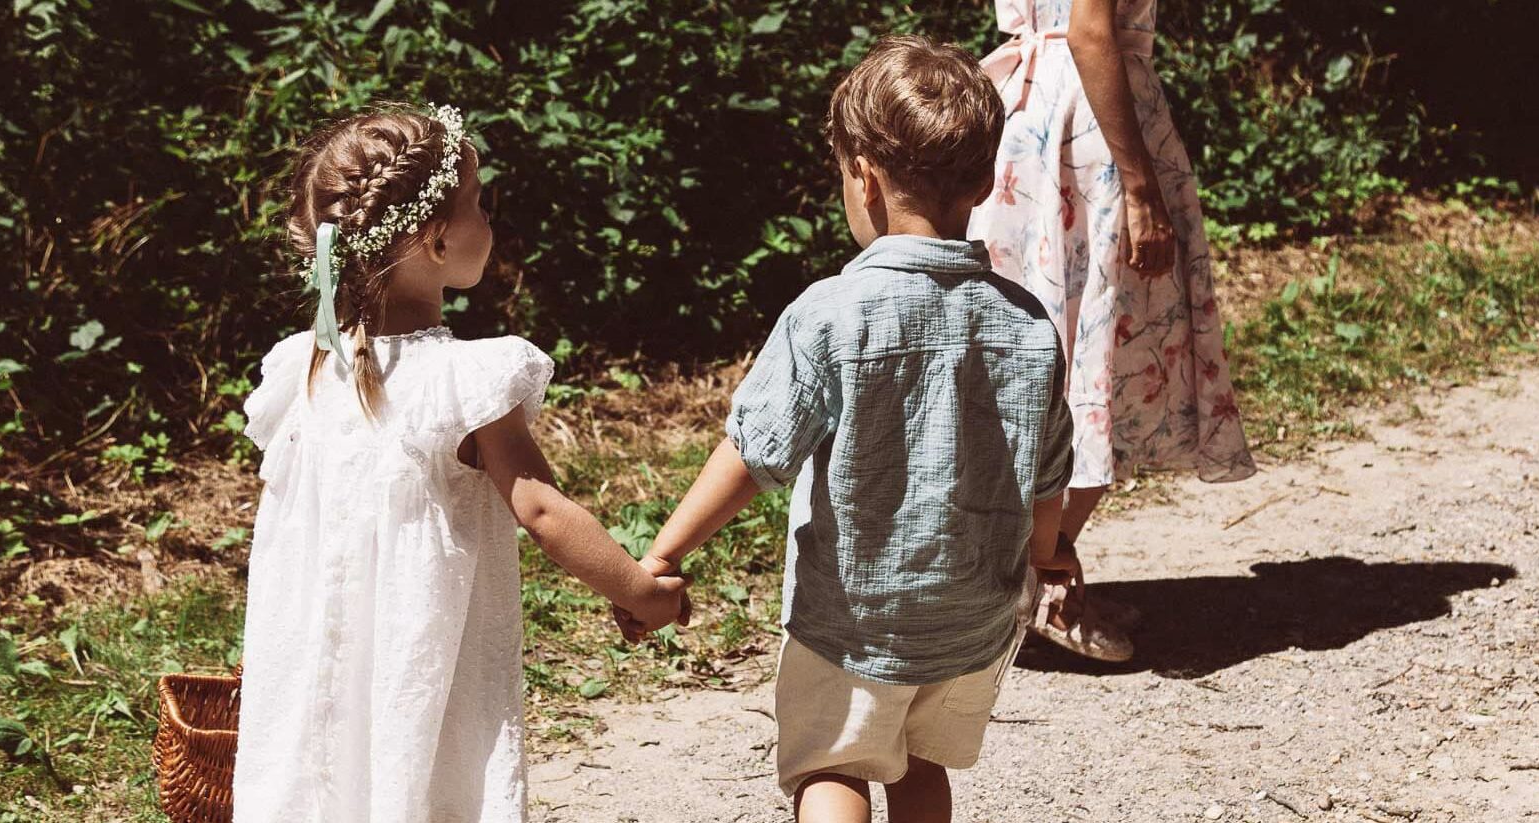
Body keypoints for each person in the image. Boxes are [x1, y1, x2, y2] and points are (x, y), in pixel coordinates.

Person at [618, 36, 1076, 823]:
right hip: (974, 616)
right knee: (920, 764)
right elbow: (1047, 472)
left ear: (862, 177)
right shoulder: (1028, 323)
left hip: (854, 620)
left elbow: (753, 451)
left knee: (832, 765)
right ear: (983, 177)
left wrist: (663, 552)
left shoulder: (832, 313)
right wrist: (1046, 555)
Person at [231, 104, 690, 822]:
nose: (490, 224)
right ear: (435, 238)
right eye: (479, 205)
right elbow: (541, 508)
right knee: (420, 782)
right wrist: (640, 589)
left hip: (320, 673)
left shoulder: (305, 371)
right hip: (420, 658)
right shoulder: (460, 380)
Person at [968, 0, 1257, 662]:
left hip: (1033, 114)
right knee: (1101, 354)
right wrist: (1140, 189)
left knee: (1058, 344)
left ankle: (1040, 567)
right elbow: (1091, 33)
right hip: (1089, 123)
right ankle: (1038, 581)